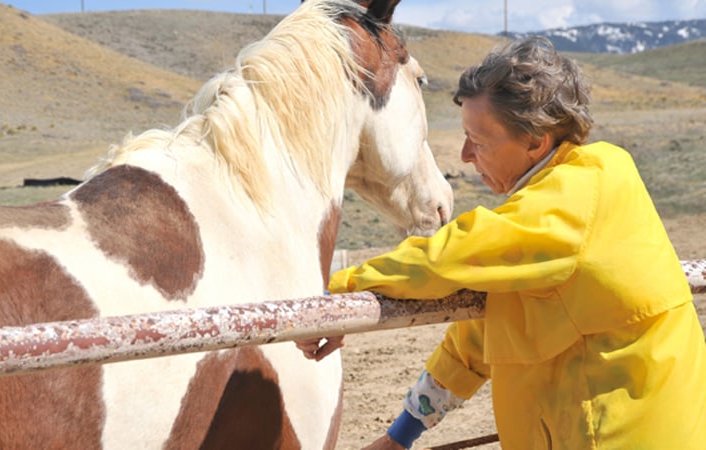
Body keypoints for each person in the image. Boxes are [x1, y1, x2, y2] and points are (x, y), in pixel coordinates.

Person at [295, 36, 706, 449]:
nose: (465, 154)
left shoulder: (570, 202)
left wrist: (340, 293)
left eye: (480, 140)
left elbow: (447, 257)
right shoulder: (569, 206)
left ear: (535, 141)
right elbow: (478, 334)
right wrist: (401, 435)